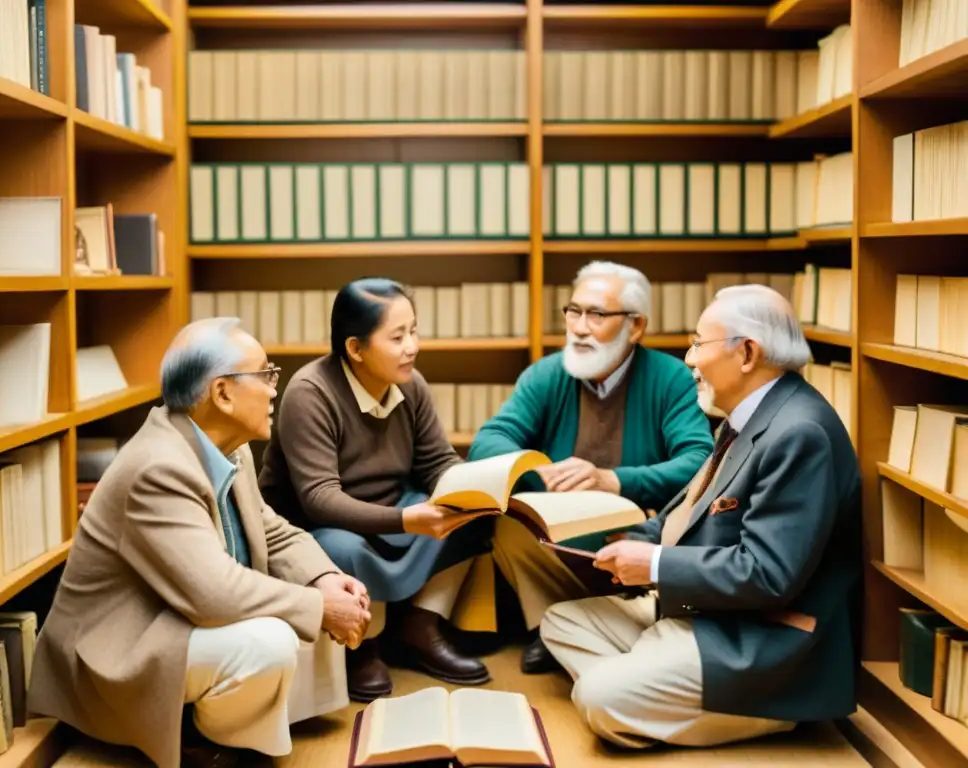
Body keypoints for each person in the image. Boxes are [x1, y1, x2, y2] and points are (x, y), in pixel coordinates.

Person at [26, 318, 371, 768]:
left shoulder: (229, 446)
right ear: (223, 393)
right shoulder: (158, 467)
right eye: (265, 374)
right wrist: (319, 606)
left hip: (176, 615)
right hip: (120, 650)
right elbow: (213, 594)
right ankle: (202, 738)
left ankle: (228, 726)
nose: (274, 389)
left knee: (311, 606)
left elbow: (270, 529)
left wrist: (325, 579)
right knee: (274, 639)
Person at [539, 284, 862, 750]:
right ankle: (654, 683)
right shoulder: (747, 414)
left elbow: (769, 575)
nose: (689, 359)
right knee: (560, 622)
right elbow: (689, 511)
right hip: (701, 612)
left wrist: (652, 565)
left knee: (595, 695)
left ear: (747, 352)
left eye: (697, 343)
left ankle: (763, 709)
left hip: (761, 640)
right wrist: (629, 538)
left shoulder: (800, 433)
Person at [468, 260, 714, 673]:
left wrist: (614, 481)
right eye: (574, 312)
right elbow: (486, 444)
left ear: (635, 326)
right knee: (508, 525)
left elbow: (699, 464)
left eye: (597, 315)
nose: (579, 328)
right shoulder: (547, 375)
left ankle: (579, 625)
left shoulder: (670, 378)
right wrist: (536, 470)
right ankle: (550, 623)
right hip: (559, 532)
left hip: (636, 528)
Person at [258, 278, 493, 703]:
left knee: (473, 521)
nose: (413, 346)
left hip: (392, 509)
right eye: (398, 336)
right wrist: (407, 519)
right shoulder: (310, 393)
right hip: (322, 525)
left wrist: (475, 489)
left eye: (414, 331)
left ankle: (421, 626)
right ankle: (361, 645)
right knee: (341, 550)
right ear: (355, 348)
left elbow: (437, 462)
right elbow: (319, 499)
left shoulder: (411, 384)